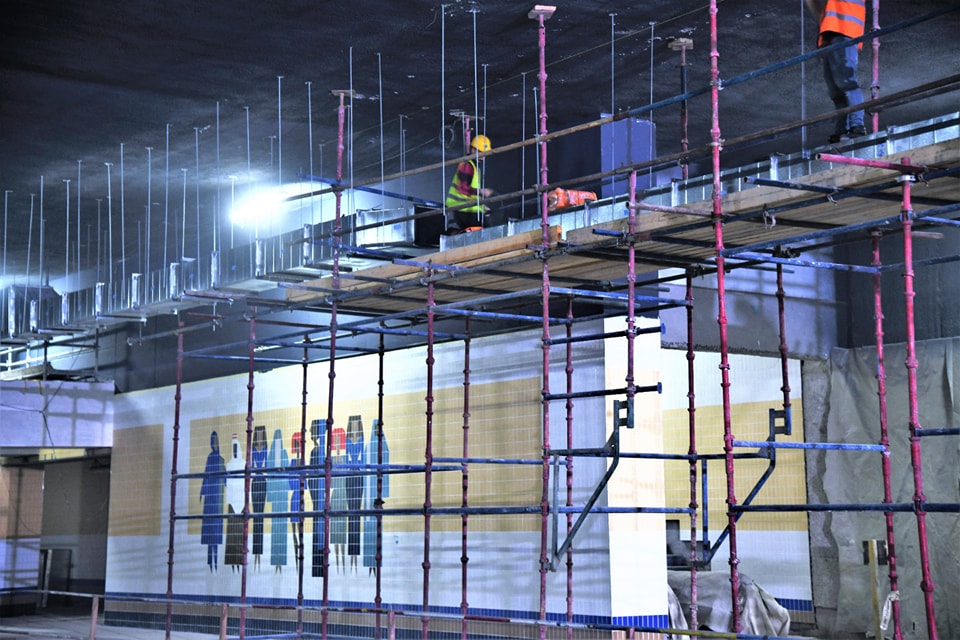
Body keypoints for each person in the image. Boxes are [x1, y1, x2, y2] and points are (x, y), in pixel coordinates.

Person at [806, 0, 867, 144]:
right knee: (836, 91)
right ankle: (841, 130)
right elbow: (818, 9)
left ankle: (857, 125)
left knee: (846, 82)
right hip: (831, 34)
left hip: (845, 30)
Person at [446, 134, 493, 233]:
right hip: (463, 211)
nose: (483, 157)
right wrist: (481, 191)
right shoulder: (467, 165)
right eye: (480, 152)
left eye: (484, 154)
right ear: (473, 150)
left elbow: (471, 195)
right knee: (485, 231)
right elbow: (462, 189)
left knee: (487, 230)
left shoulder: (474, 167)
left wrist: (482, 207)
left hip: (468, 210)